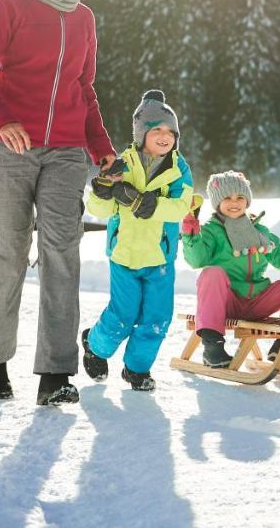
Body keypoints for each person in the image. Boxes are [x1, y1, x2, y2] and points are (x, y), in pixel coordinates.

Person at [0, 0, 116, 407]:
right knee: (10, 252)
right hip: (7, 148)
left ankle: (55, 374)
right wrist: (4, 120)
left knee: (62, 254)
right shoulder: (12, 5)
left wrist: (104, 151)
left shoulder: (85, 18)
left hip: (67, 152)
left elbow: (85, 89)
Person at [80, 90, 194, 391]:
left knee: (156, 319)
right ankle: (95, 345)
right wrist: (103, 191)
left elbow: (183, 206)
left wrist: (152, 205)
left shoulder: (178, 170)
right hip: (125, 256)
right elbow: (99, 210)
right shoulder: (122, 165)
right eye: (157, 129)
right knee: (123, 315)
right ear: (141, 133)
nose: (164, 136)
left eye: (170, 131)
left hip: (160, 258)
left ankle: (136, 369)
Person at [180, 171, 280, 368]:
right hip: (227, 303)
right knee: (211, 273)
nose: (235, 202)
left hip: (258, 301)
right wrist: (191, 227)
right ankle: (213, 347)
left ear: (247, 200)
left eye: (240, 197)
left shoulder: (260, 232)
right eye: (227, 197)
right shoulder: (212, 231)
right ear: (217, 202)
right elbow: (196, 259)